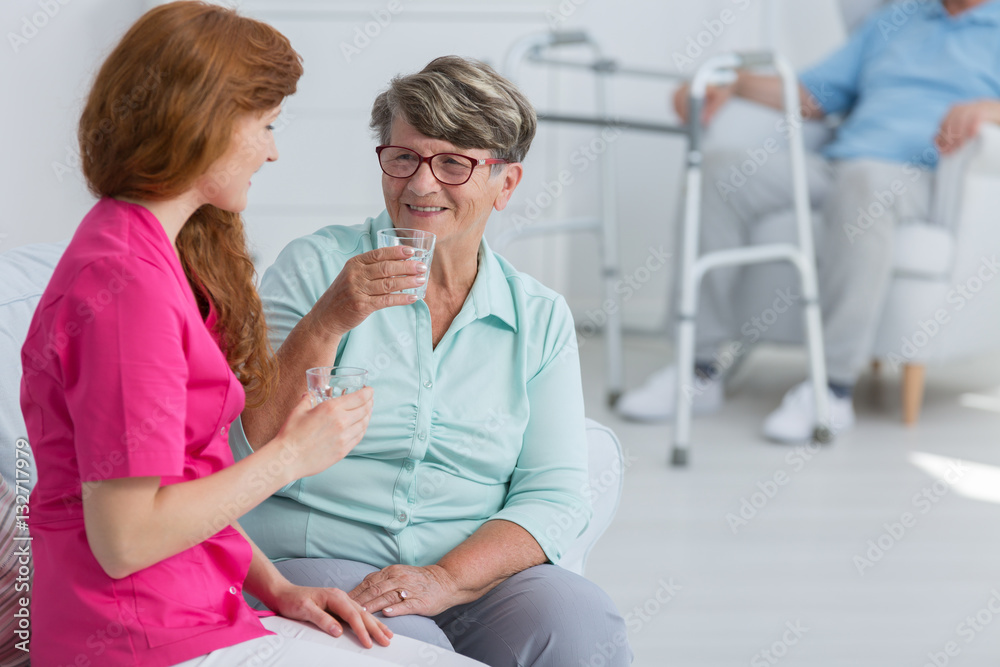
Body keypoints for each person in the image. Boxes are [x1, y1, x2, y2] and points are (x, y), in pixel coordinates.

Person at [20, 3, 404, 665]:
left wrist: (278, 588)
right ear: (204, 123)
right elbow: (127, 538)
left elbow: (189, 479)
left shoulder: (152, 258)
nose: (274, 150)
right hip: (136, 637)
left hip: (197, 610)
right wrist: (290, 456)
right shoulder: (125, 287)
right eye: (266, 124)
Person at [232, 56, 632, 667]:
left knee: (580, 620)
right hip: (320, 562)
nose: (420, 186)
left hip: (469, 578)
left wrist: (445, 580)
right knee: (405, 646)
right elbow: (245, 448)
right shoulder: (315, 268)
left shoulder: (538, 316)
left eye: (453, 164)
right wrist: (329, 321)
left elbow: (553, 495)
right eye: (403, 158)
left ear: (506, 184)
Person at [616, 0, 1000, 441]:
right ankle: (697, 370)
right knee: (721, 173)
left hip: (920, 177)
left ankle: (831, 387)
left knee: (864, 183)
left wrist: (988, 110)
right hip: (839, 163)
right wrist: (733, 82)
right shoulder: (897, 20)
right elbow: (812, 93)